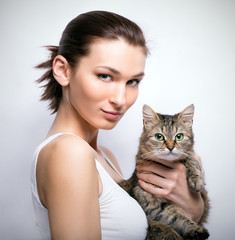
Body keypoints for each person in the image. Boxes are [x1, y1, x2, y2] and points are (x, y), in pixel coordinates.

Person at [31, 10, 205, 240]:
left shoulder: (104, 156)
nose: (121, 99)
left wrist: (192, 209)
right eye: (105, 76)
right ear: (63, 70)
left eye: (133, 81)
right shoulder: (69, 152)